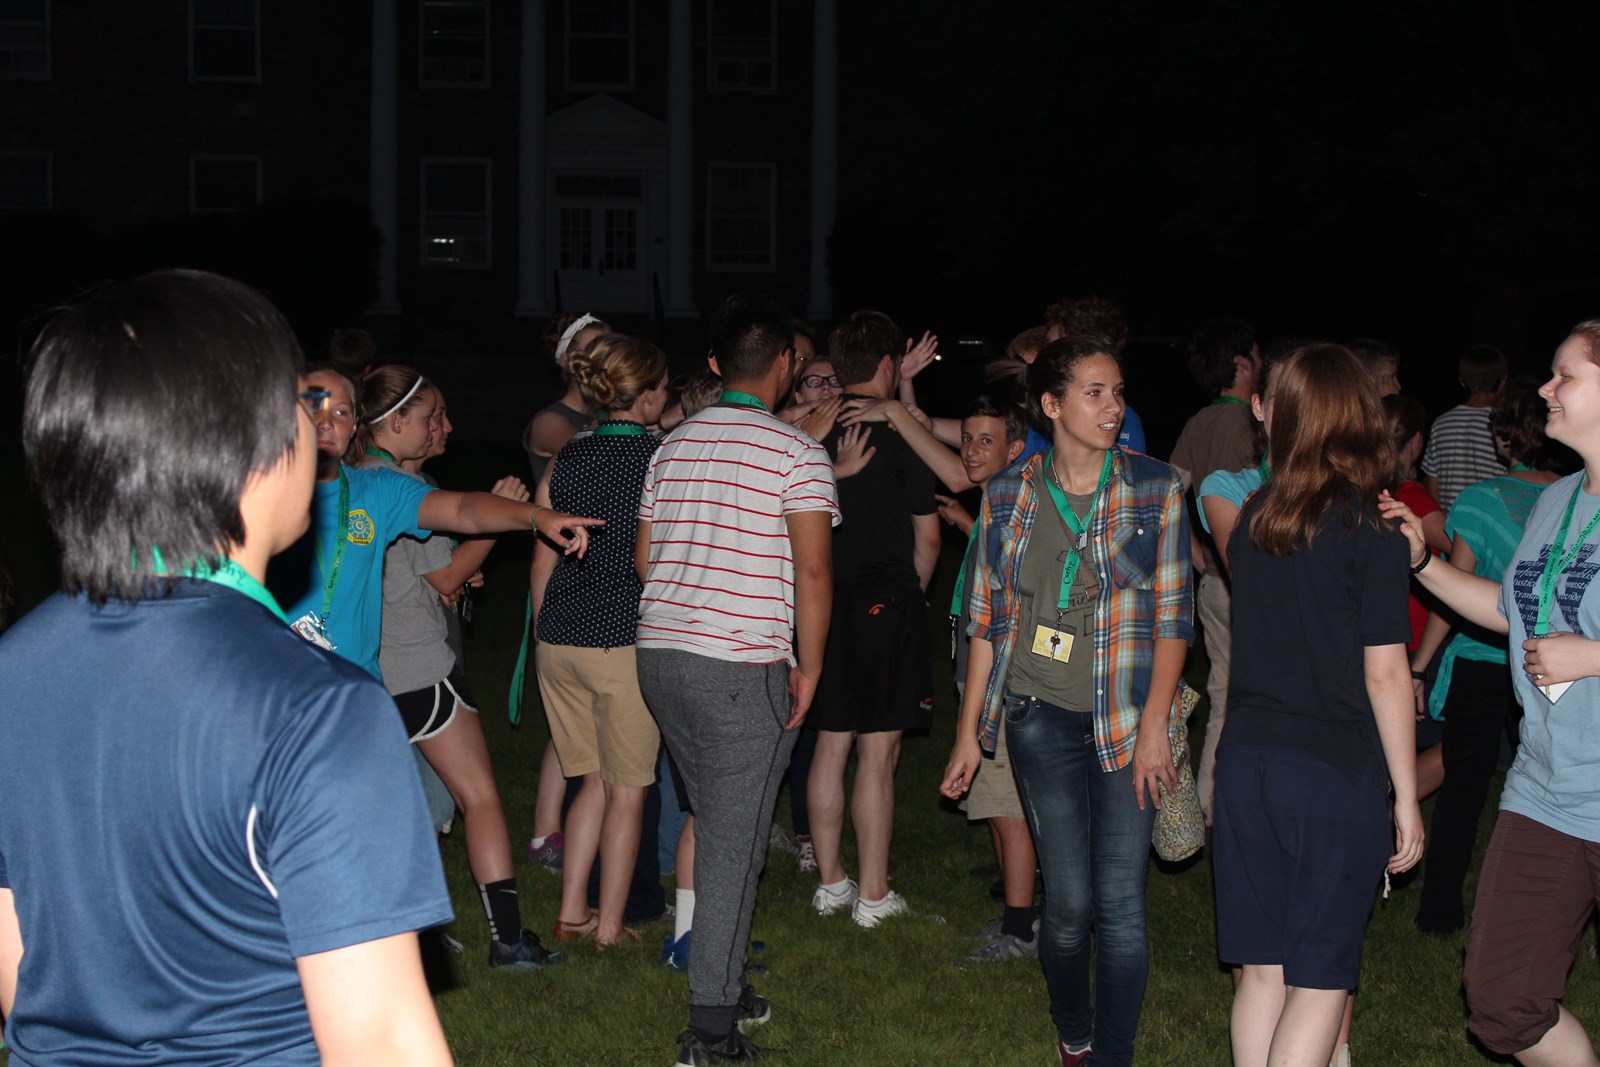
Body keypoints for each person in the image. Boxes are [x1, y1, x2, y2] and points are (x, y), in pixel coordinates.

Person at [0, 269, 454, 1065]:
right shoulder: (318, 707)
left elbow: (18, 968)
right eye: (300, 404)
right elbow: (380, 1039)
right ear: (250, 445)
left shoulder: (15, 666)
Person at [941, 334, 1193, 1067]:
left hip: (1126, 720)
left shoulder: (1156, 488)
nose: (1114, 407)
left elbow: (1174, 618)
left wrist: (1155, 724)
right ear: (1051, 405)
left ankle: (1112, 1054)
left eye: (1118, 391)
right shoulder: (1006, 494)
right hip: (1037, 716)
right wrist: (967, 734)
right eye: (1094, 392)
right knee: (1069, 908)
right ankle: (1074, 1029)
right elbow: (986, 622)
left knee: (1121, 907)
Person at [1383, 320, 1600, 1065]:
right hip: (1546, 791)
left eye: (1566, 376)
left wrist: (1593, 656)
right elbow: (1513, 610)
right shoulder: (1558, 499)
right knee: (1503, 997)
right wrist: (1424, 562)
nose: (1546, 389)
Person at [635, 293, 838, 1066]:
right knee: (732, 843)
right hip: (739, 663)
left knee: (726, 826)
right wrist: (809, 665)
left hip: (660, 654)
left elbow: (645, 560)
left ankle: (721, 980)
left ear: (718, 363)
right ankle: (710, 1030)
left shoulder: (671, 445)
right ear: (786, 360)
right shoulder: (796, 453)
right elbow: (813, 571)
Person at [1214, 344, 1423, 1067]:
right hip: (1331, 771)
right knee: (1320, 977)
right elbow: (1386, 675)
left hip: (1246, 764)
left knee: (1263, 968)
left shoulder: (1255, 517)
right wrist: (1405, 797)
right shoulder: (1372, 530)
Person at [357, 365, 555, 969]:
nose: (446, 426)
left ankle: (411, 931)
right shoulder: (401, 488)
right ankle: (509, 941)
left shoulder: (353, 480)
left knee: (411, 806)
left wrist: (458, 573)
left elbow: (427, 578)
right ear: (395, 423)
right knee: (479, 798)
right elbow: (445, 577)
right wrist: (505, 514)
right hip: (418, 667)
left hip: (368, 673)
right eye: (433, 416)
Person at [1407, 382, 1561, 937]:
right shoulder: (1570, 498)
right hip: (1550, 663)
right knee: (1557, 790)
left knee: (1465, 788)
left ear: (1502, 439)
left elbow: (1457, 590)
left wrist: (1420, 666)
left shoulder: (1479, 500)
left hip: (1482, 659)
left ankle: (1440, 914)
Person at [530, 335, 669, 948]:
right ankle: (610, 927)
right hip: (622, 640)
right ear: (650, 396)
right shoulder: (661, 458)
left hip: (561, 636)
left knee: (588, 781)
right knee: (628, 791)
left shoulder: (569, 453)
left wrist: (543, 628)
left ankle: (572, 913)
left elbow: (542, 549)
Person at [808, 310, 941, 930]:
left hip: (822, 601)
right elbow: (929, 537)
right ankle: (873, 895)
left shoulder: (812, 428)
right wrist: (915, 595)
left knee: (831, 741)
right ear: (888, 364)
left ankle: (831, 881)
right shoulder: (900, 431)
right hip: (886, 596)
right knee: (878, 751)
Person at [936, 395, 1033, 964]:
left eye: (986, 441)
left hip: (998, 677)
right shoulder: (996, 504)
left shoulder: (1014, 504)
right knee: (995, 803)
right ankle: (1017, 911)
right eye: (967, 438)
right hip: (974, 667)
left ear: (1014, 449)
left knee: (1007, 806)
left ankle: (1022, 928)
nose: (971, 450)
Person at [523, 312, 610, 872]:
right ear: (569, 360)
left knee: (587, 720)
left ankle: (564, 827)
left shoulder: (607, 416)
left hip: (601, 573)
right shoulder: (554, 422)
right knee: (569, 721)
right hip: (563, 577)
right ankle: (545, 831)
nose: (605, 354)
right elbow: (583, 451)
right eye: (594, 346)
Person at [1170, 317, 1262, 822]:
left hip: (1212, 582)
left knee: (1224, 692)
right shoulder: (1252, 426)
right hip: (1248, 578)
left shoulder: (1198, 422)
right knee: (1253, 695)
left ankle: (1208, 803)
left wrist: (1196, 554)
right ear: (1243, 363)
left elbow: (1169, 495)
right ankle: (1234, 804)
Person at [1421, 344, 1509, 512]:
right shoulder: (1503, 425)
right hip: (1489, 519)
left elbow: (1433, 483)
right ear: (1503, 380)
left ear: (1462, 381)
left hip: (1449, 522)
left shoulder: (1441, 423)